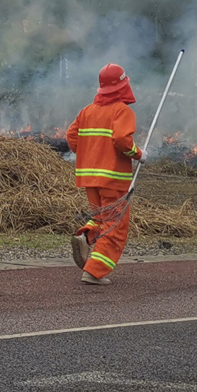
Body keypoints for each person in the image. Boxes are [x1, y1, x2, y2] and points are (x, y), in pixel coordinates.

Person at [66, 64, 144, 285]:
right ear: (123, 85)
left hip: (89, 178)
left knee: (101, 218)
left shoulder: (87, 111)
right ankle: (94, 271)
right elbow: (121, 140)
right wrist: (139, 154)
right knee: (115, 226)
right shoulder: (122, 110)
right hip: (113, 179)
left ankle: (86, 236)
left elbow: (72, 137)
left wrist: (90, 154)